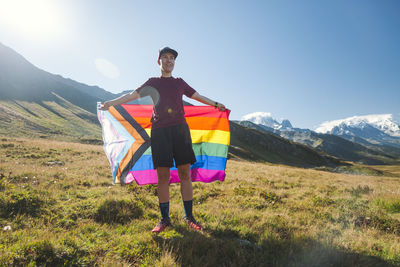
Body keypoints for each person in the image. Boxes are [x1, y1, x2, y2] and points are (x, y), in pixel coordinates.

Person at [101, 46, 226, 233]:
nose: (169, 61)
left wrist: (216, 104)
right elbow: (132, 96)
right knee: (163, 176)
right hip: (160, 132)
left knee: (185, 173)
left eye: (172, 58)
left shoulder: (180, 83)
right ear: (159, 61)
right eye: (165, 58)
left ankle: (189, 217)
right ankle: (165, 219)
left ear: (174, 63)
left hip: (180, 131)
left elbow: (197, 96)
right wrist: (112, 103)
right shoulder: (152, 83)